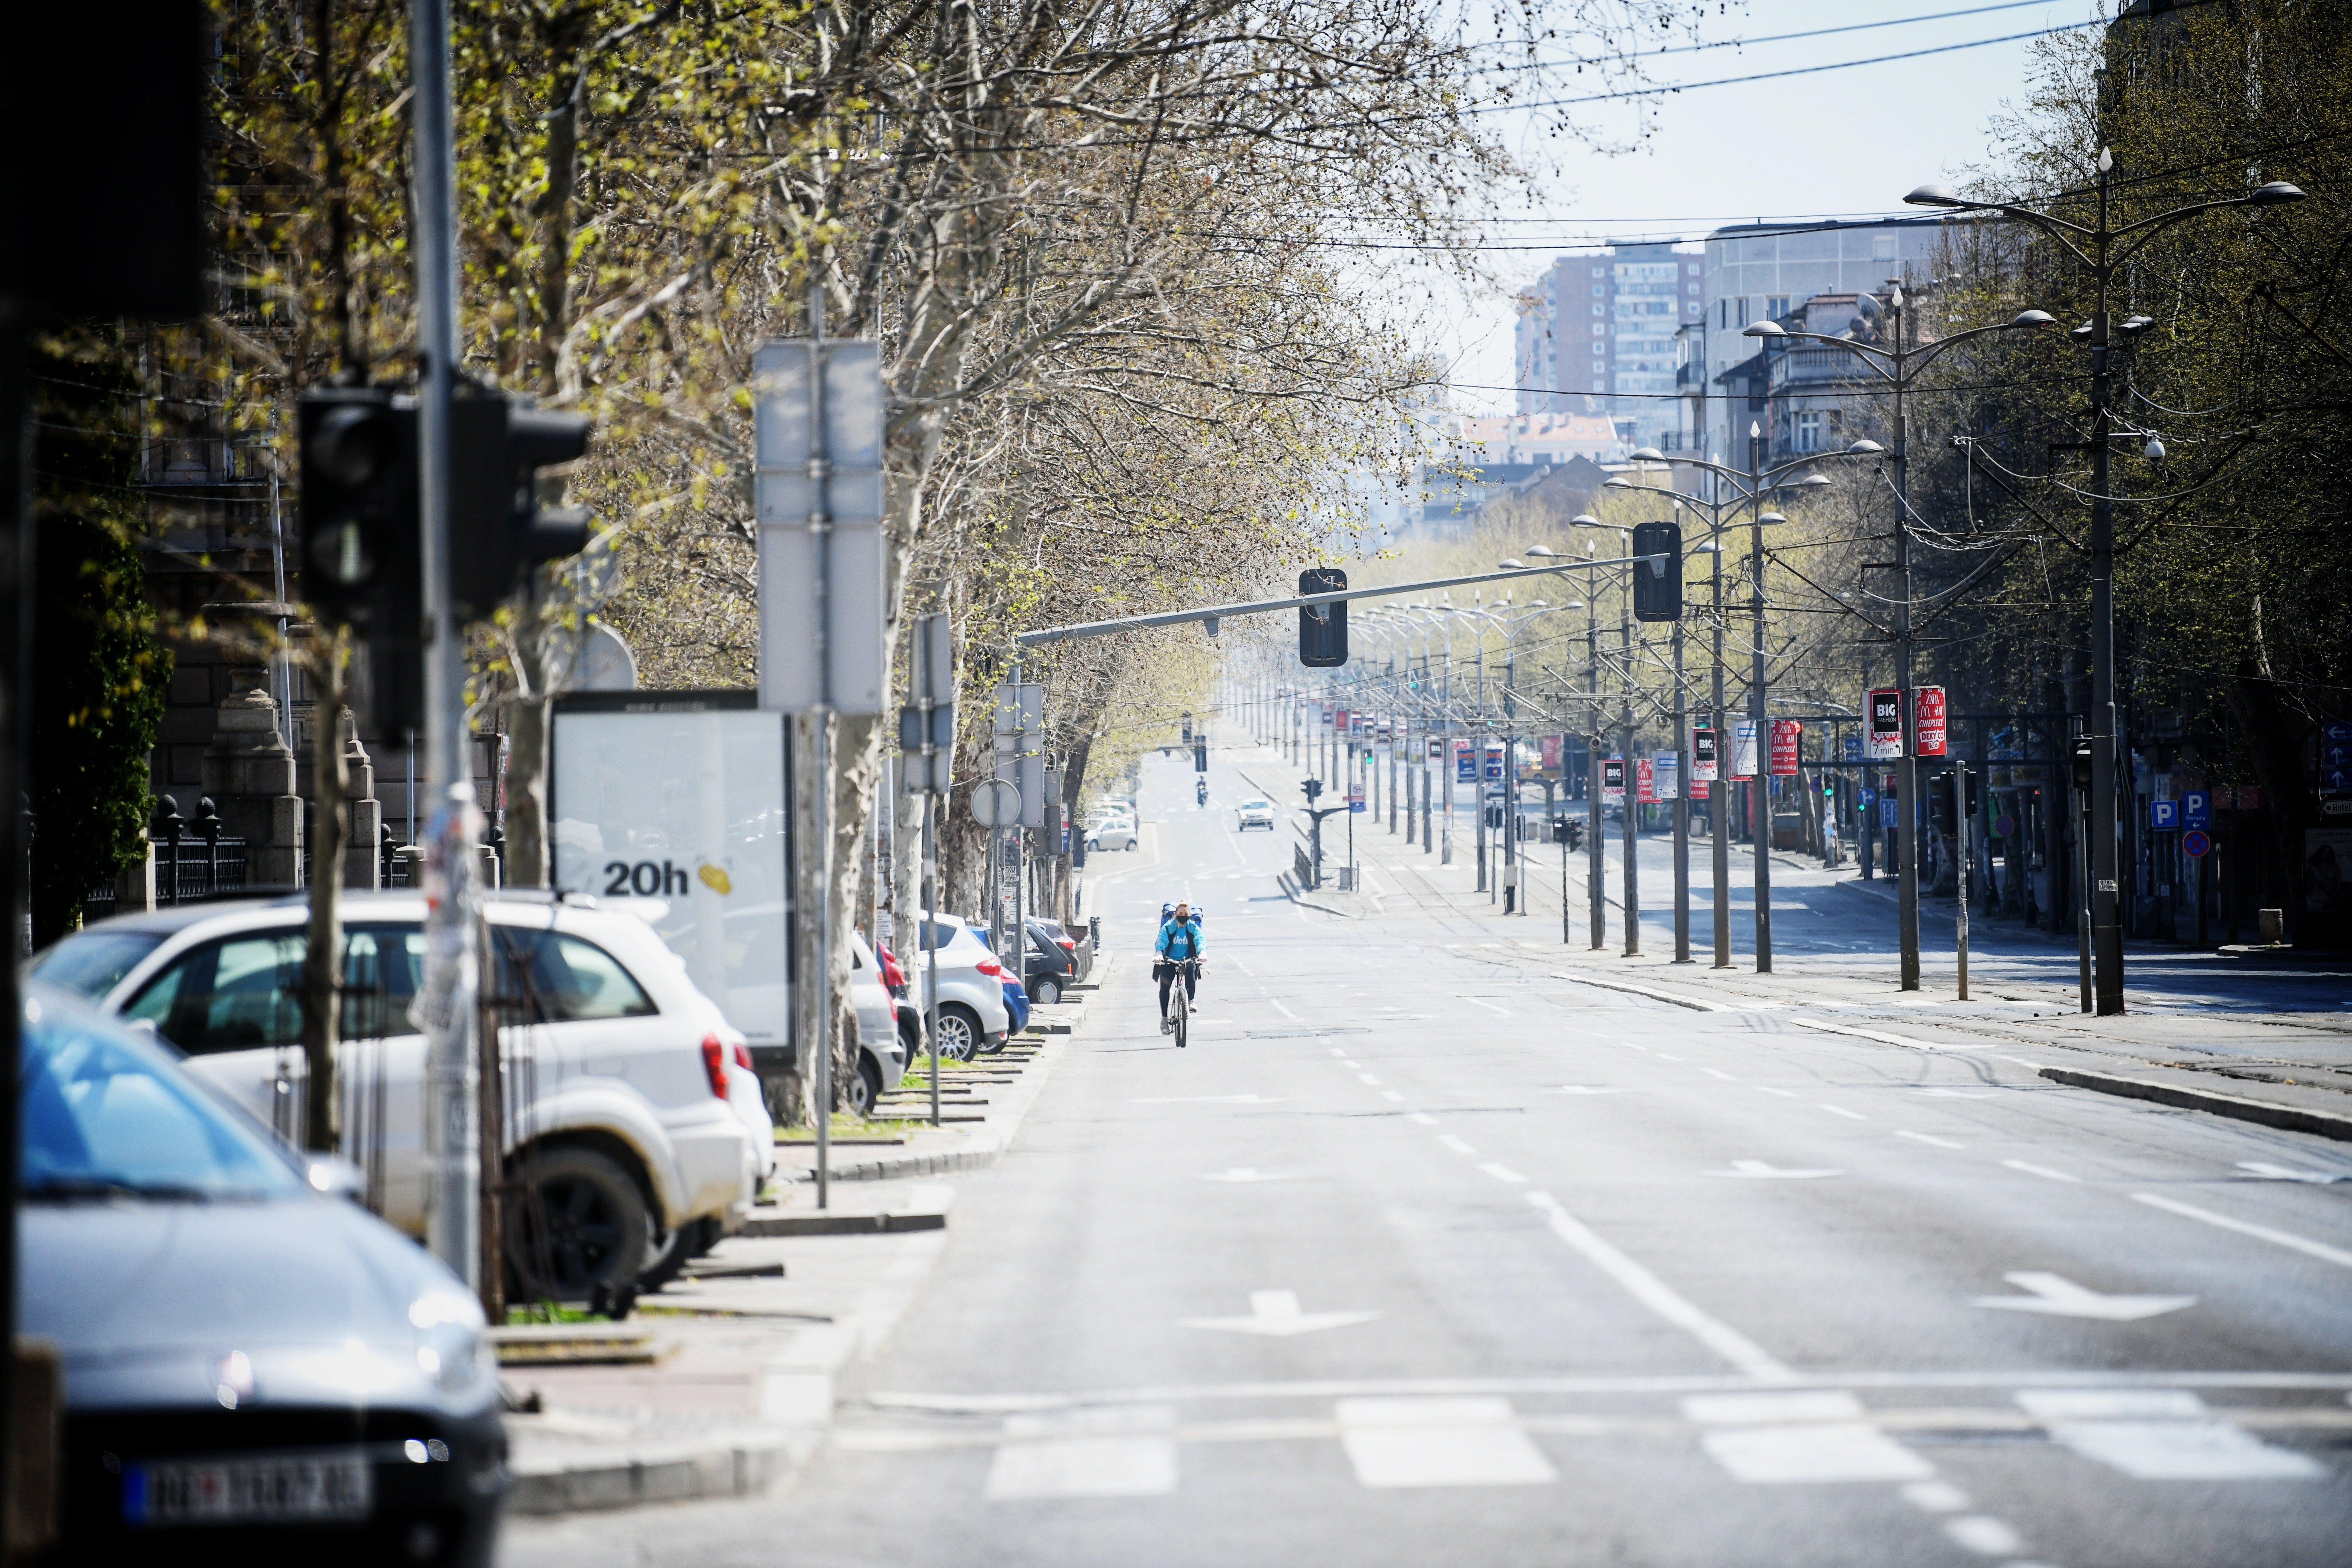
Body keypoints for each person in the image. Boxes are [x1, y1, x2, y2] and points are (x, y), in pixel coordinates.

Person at [1154, 901, 1205, 1031]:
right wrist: (1159, 953)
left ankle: (1191, 1001)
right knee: (1165, 987)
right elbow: (1162, 939)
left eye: (1186, 915)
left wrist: (1202, 952)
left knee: (1191, 970)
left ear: (1190, 916)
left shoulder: (1192, 928)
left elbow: (1200, 939)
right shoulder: (1169, 927)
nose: (1183, 916)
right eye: (1180, 914)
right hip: (1170, 960)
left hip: (1187, 960)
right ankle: (1165, 1018)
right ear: (1176, 914)